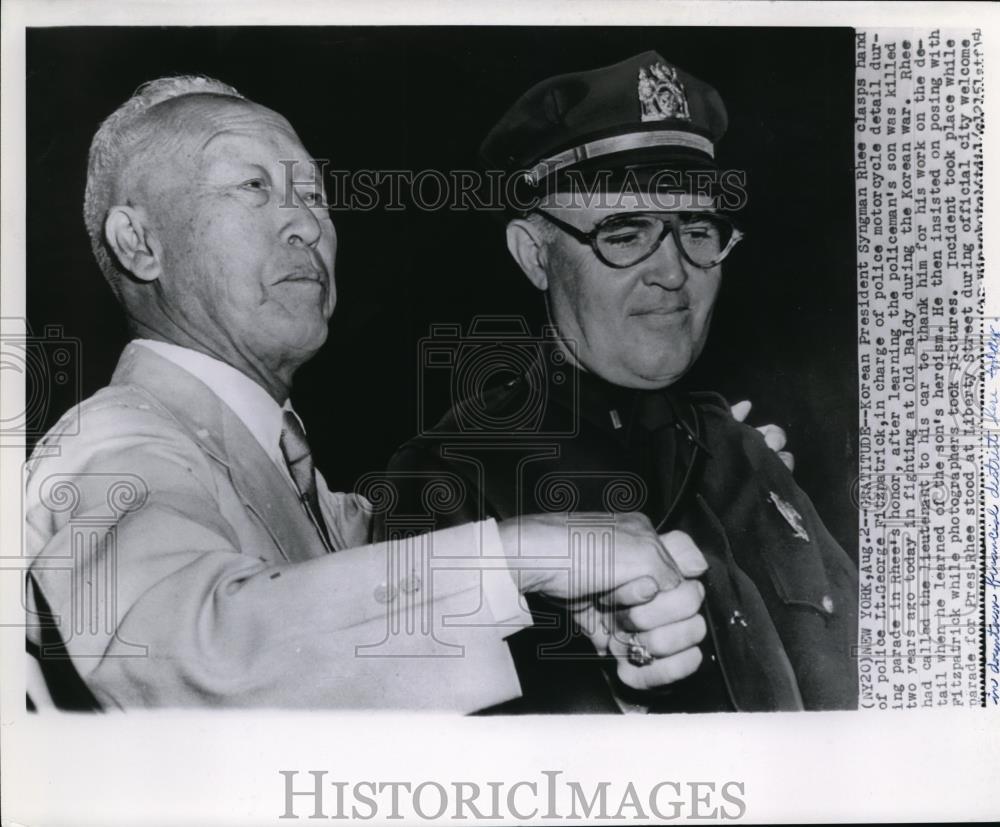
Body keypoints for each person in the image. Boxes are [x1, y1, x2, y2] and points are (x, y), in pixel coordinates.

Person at [24, 75, 711, 710]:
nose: (308, 225)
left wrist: (607, 658)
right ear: (139, 243)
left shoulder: (308, 494)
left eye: (315, 195)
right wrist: (521, 553)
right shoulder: (113, 443)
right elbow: (194, 655)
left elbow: (348, 639)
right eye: (254, 187)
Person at [382, 52, 859, 713]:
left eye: (696, 229)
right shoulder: (449, 482)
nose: (673, 271)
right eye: (625, 232)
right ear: (534, 255)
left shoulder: (742, 450)